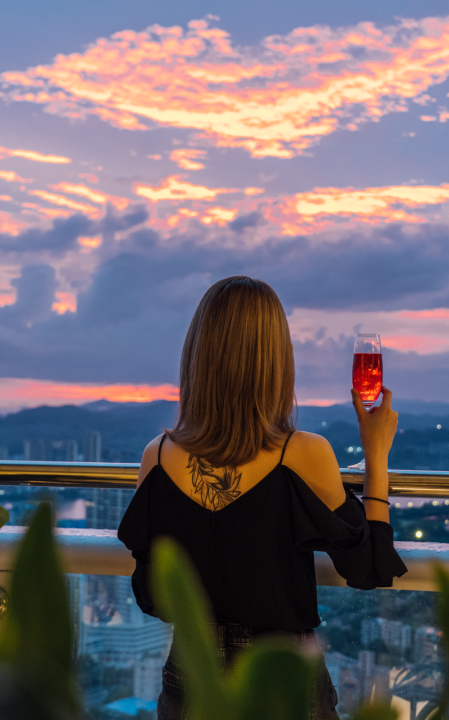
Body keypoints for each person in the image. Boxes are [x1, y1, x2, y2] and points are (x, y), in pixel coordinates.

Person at [117, 276, 407, 720]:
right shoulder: (303, 454)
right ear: (276, 360)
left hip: (192, 672)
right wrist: (376, 456)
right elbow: (369, 566)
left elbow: (154, 594)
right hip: (283, 675)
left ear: (197, 357)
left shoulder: (156, 456)